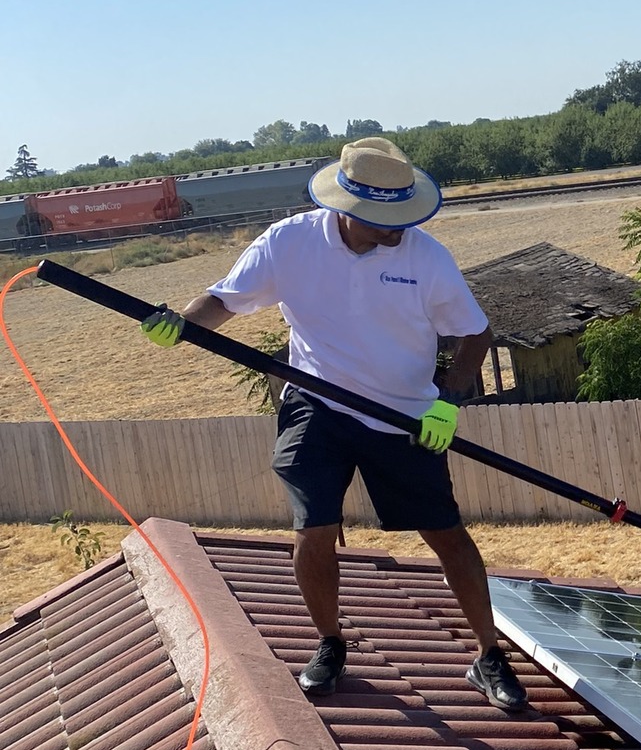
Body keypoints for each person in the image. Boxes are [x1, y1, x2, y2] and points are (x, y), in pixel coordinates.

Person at [141, 137, 527, 713]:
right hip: (316, 402)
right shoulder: (289, 243)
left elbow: (475, 335)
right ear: (346, 209)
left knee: (446, 532)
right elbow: (224, 300)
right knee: (313, 528)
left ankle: (488, 655)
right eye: (384, 220)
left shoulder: (425, 258)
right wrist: (181, 325)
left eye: (404, 216)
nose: (398, 229)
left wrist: (448, 401)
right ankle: (329, 643)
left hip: (404, 414)